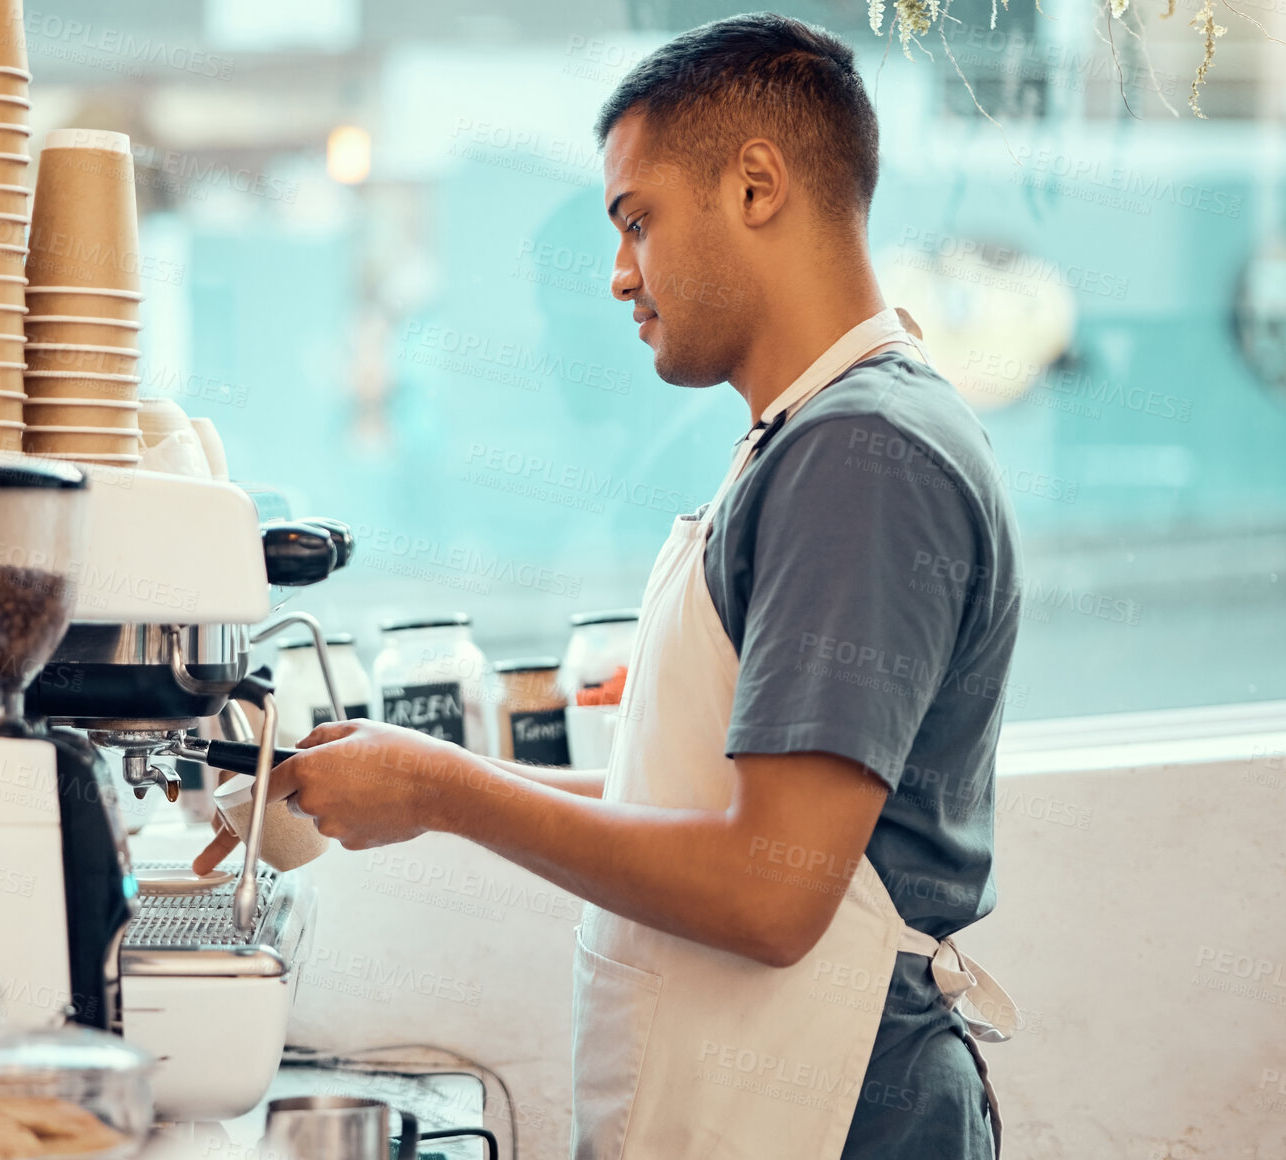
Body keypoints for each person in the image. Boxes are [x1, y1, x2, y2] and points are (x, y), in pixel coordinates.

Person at [196, 13, 1022, 1158]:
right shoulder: (801, 443)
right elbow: (703, 815)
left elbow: (767, 893)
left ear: (755, 183)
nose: (619, 274)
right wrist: (421, 771)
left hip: (838, 1111)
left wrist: (444, 790)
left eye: (636, 220)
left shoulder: (863, 458)